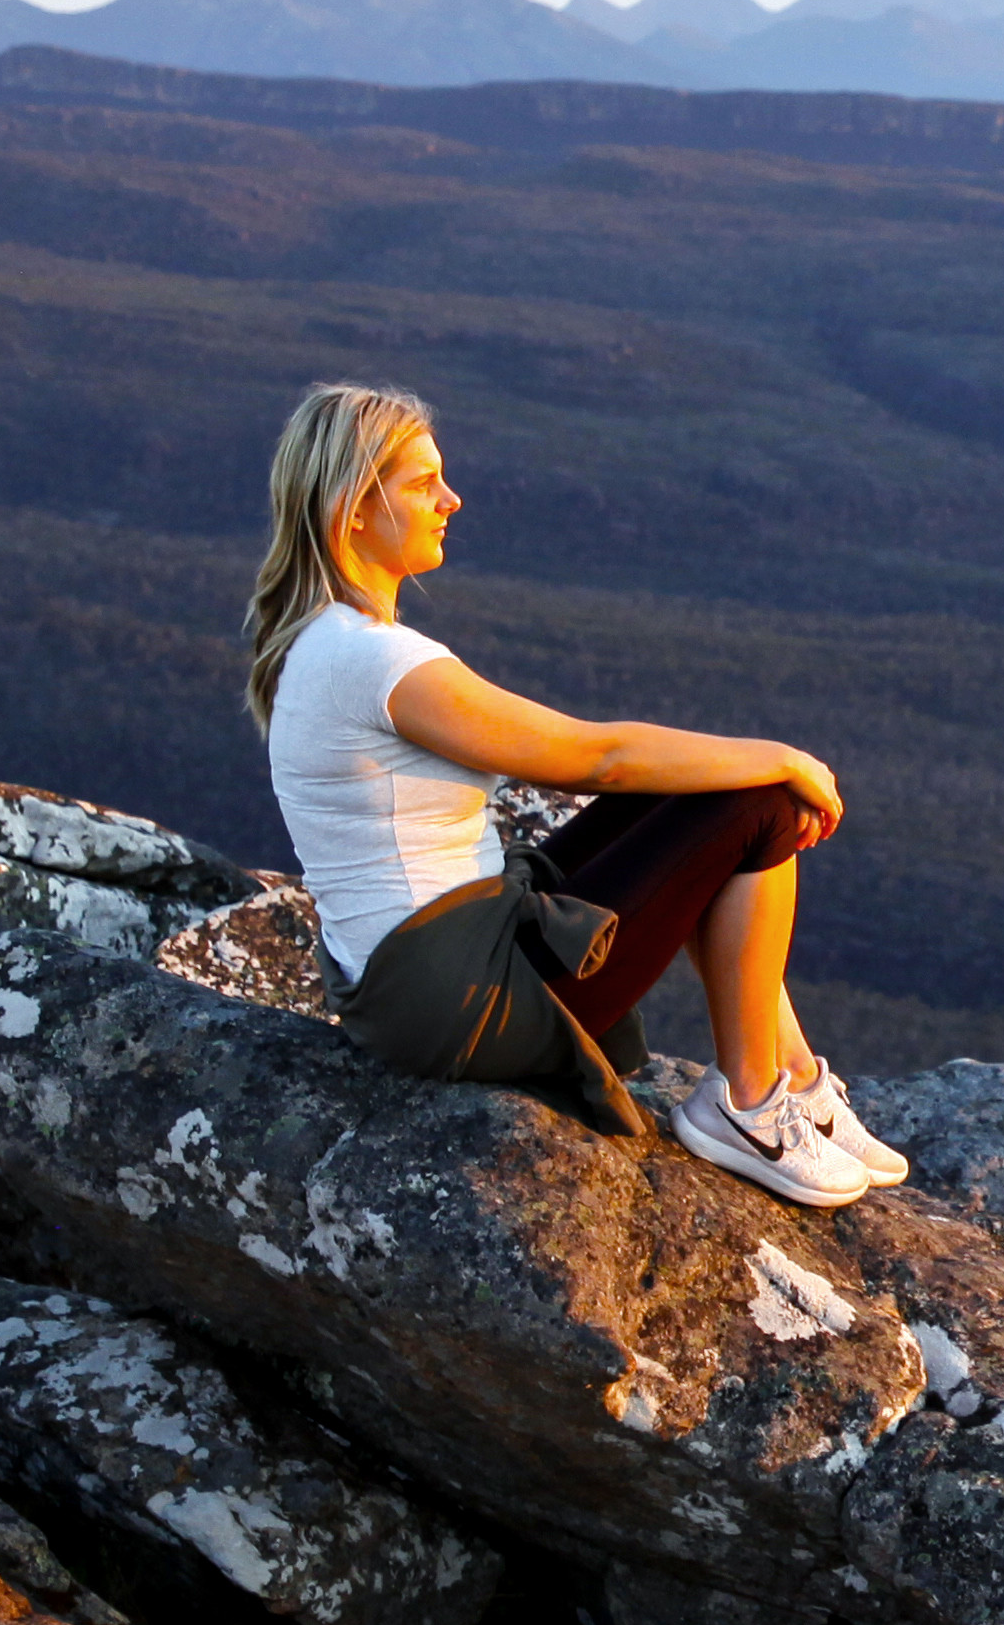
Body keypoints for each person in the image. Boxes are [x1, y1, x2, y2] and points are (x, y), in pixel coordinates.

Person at [242, 381, 904, 1206]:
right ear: (353, 509)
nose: (452, 499)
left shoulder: (324, 641)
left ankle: (796, 1078)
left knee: (692, 803)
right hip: (457, 995)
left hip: (413, 978)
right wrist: (783, 756)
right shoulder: (375, 663)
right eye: (421, 484)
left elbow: (621, 773)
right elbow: (598, 759)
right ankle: (747, 1102)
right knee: (759, 803)